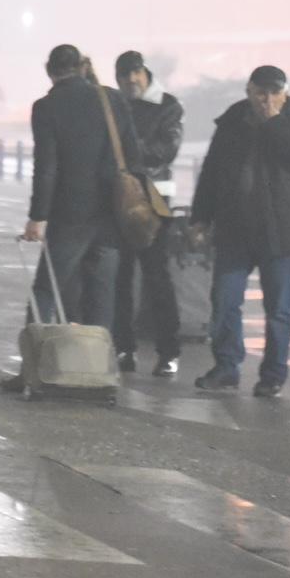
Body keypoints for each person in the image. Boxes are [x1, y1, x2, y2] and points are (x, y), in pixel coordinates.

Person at [2, 44, 141, 393]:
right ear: (81, 67)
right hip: (111, 215)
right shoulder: (111, 99)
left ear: (50, 71)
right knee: (101, 294)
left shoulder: (48, 107)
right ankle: (97, 375)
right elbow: (133, 157)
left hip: (71, 216)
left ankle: (32, 370)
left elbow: (46, 167)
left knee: (46, 291)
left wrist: (38, 216)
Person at [190, 66, 290, 397]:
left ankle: (273, 374)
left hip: (281, 230)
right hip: (236, 228)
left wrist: (274, 122)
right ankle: (226, 367)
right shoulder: (233, 120)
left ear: (285, 93)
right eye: (261, 93)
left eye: (274, 93)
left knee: (278, 308)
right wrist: (200, 218)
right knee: (224, 300)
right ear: (248, 90)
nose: (267, 99)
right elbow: (211, 172)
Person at [112, 51, 184, 376]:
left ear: (145, 74)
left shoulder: (168, 106)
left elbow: (165, 151)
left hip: (155, 206)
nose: (131, 82)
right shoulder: (113, 104)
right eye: (124, 78)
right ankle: (124, 348)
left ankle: (168, 351)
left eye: (135, 75)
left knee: (157, 279)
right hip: (118, 204)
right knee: (120, 279)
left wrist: (127, 149)